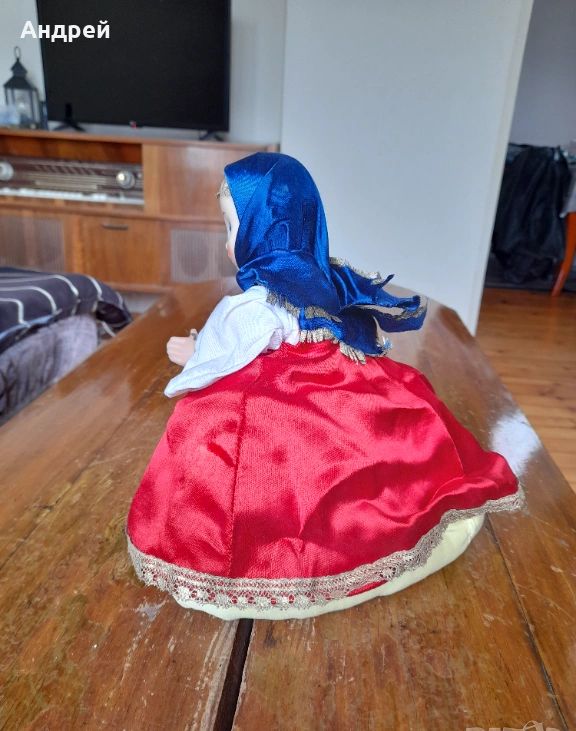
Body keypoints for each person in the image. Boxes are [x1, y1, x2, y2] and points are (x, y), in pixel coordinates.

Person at [126, 152, 523, 620]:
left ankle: (260, 562)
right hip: (332, 373)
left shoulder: (252, 304)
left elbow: (225, 351)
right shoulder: (325, 277)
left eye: (233, 228)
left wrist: (194, 353)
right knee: (373, 433)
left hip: (280, 391)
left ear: (264, 230)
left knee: (225, 450)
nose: (228, 244)